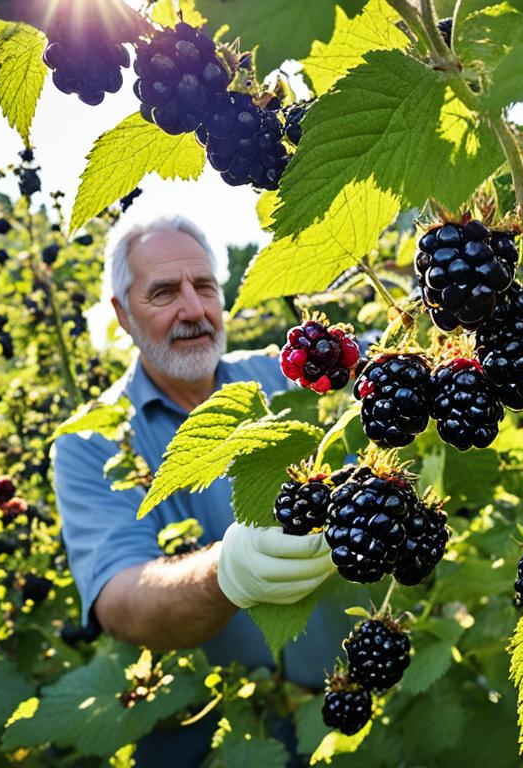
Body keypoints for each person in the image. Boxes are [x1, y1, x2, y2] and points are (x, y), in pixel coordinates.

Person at [50, 215, 348, 764]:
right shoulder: (92, 441)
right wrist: (225, 572)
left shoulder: (291, 380)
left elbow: (389, 375)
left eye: (204, 286)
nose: (194, 309)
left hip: (354, 710)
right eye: (164, 291)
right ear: (122, 313)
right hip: (219, 738)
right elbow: (118, 599)